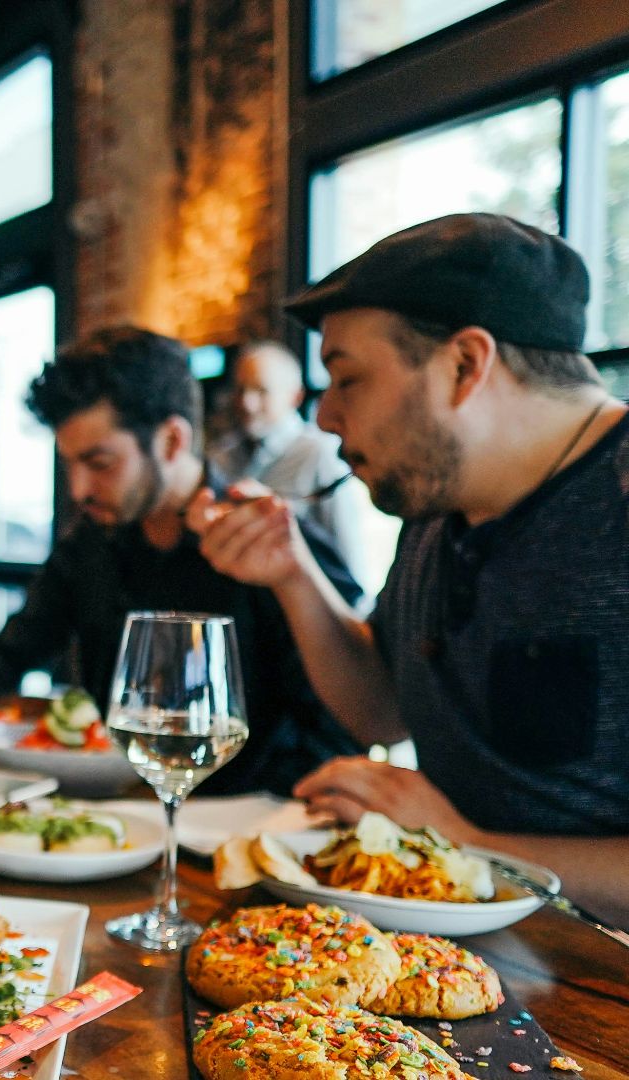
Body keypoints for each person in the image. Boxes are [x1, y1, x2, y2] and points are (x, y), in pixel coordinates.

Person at [190, 212, 629, 921]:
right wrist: (292, 575)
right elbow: (381, 707)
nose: (326, 417)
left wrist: (466, 843)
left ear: (465, 365)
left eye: (347, 379)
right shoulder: (437, 506)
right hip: (461, 953)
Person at [0, 327, 363, 796]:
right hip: (118, 817)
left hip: (244, 832)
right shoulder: (89, 545)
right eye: (69, 464)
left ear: (172, 440)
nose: (78, 490)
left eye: (100, 463)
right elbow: (7, 656)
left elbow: (343, 726)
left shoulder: (269, 543)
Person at [208, 341, 377, 592]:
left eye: (261, 391)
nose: (247, 403)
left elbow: (349, 557)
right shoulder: (221, 455)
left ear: (295, 396)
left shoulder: (321, 454)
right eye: (241, 390)